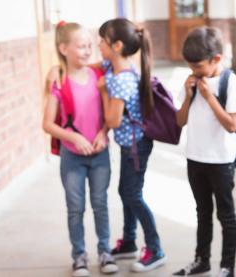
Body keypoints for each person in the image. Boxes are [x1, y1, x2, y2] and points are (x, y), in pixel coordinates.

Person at [42, 21, 118, 277]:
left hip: (100, 154)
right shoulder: (59, 82)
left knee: (100, 203)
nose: (87, 51)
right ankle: (79, 256)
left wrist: (102, 133)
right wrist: (73, 138)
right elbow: (48, 124)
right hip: (72, 158)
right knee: (75, 208)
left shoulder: (98, 76)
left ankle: (105, 251)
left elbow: (108, 116)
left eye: (89, 46)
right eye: (81, 46)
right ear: (63, 48)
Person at [173, 27, 236, 277]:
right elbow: (180, 121)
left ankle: (227, 267)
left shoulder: (231, 83)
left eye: (198, 66)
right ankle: (201, 260)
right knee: (202, 212)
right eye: (190, 66)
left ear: (216, 59)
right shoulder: (191, 81)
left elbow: (232, 125)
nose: (194, 71)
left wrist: (208, 96)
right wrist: (189, 95)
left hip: (221, 161)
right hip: (195, 157)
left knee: (226, 215)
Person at [97, 18, 166, 272]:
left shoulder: (121, 80)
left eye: (101, 41)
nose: (97, 45)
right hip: (131, 146)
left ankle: (156, 248)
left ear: (116, 46)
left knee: (132, 195)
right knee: (126, 192)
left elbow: (113, 120)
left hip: (136, 147)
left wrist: (103, 91)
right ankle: (128, 242)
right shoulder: (115, 66)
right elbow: (97, 64)